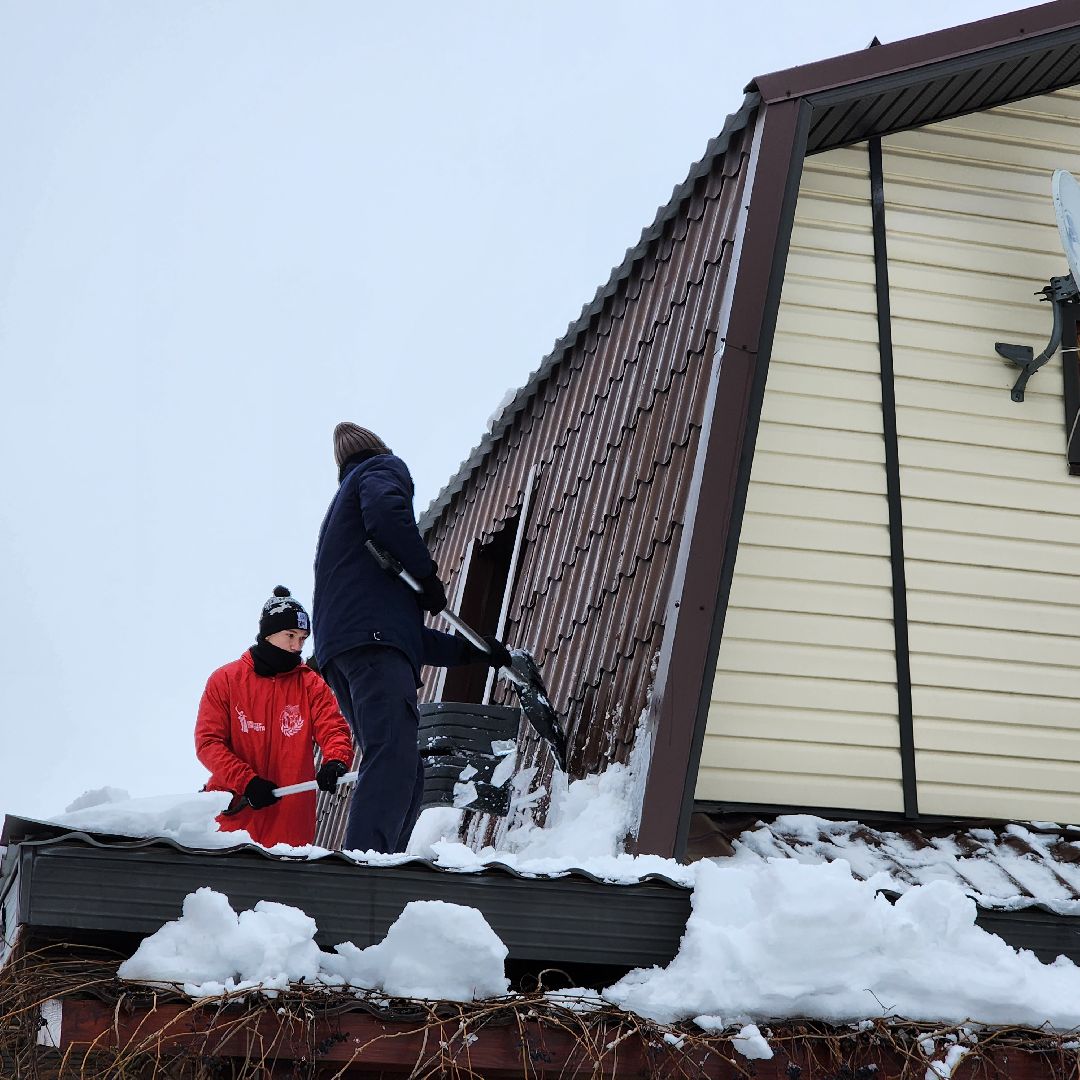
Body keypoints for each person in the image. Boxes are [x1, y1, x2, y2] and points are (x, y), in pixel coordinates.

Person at [312, 422, 511, 854]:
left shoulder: (342, 531)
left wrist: (476, 652)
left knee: (406, 769)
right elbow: (387, 514)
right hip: (372, 647)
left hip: (345, 654)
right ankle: (365, 863)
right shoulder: (381, 469)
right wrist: (424, 574)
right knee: (392, 757)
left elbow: (410, 640)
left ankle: (386, 860)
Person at [195, 586, 355, 848]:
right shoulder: (225, 680)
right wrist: (247, 782)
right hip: (233, 819)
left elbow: (333, 728)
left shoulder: (311, 685)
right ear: (268, 633)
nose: (296, 646)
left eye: (303, 638)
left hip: (289, 826)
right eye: (290, 635)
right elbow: (208, 743)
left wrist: (335, 760)